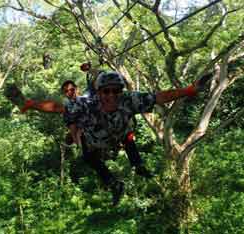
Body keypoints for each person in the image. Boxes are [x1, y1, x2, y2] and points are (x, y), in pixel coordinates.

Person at [64, 71, 209, 205]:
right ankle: (114, 184)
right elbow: (67, 116)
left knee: (128, 137)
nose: (111, 95)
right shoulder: (87, 105)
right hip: (95, 139)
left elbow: (159, 97)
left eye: (116, 91)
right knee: (88, 156)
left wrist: (190, 90)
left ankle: (138, 165)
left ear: (122, 91)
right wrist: (74, 137)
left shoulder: (129, 99)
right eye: (106, 91)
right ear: (98, 93)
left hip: (121, 133)